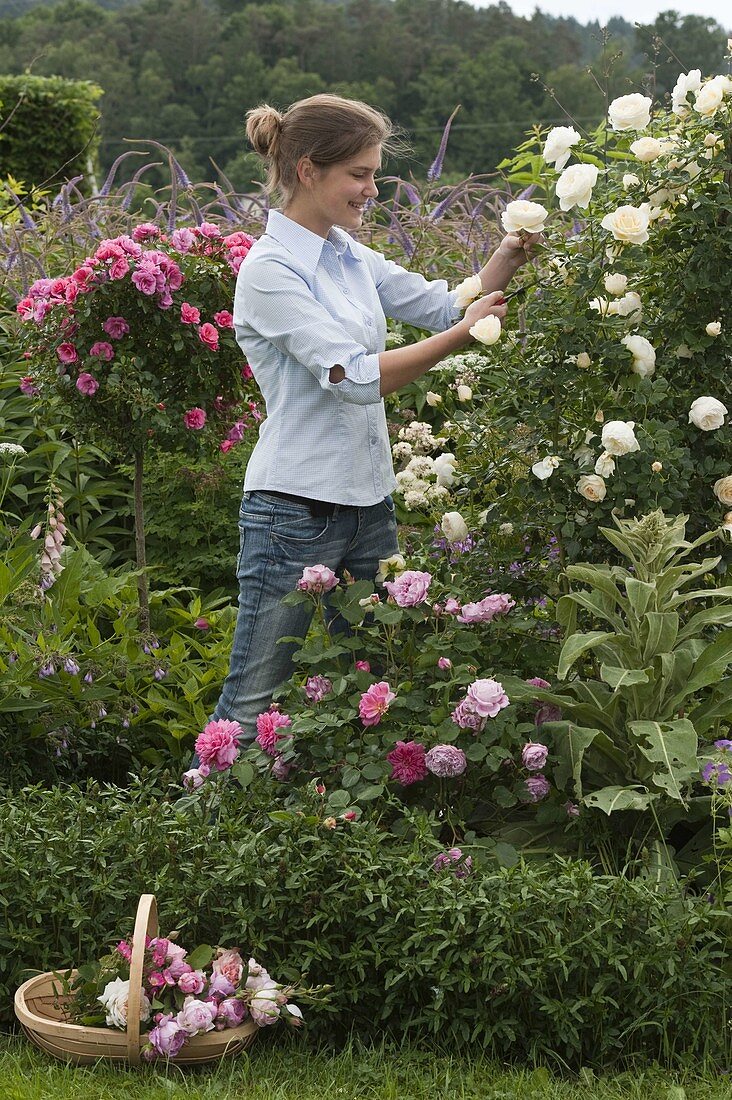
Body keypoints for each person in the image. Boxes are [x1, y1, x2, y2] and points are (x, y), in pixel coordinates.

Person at [212, 92, 535, 741]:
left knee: (372, 680)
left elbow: (443, 306)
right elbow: (352, 378)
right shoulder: (270, 271)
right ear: (308, 170)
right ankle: (205, 820)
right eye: (359, 174)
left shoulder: (348, 255)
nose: (371, 189)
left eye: (374, 174)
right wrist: (463, 340)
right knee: (257, 690)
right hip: (291, 509)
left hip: (368, 502)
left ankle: (352, 825)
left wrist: (509, 253)